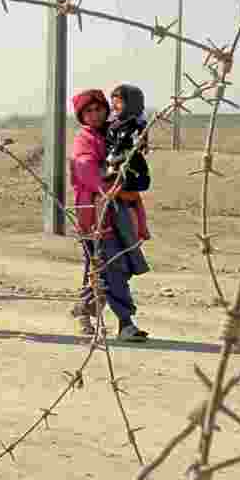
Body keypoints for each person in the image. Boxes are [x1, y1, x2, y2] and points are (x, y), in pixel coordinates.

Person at [69, 89, 150, 341]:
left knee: (104, 268)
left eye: (99, 109)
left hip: (118, 210)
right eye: (88, 111)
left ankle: (85, 309)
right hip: (96, 214)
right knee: (111, 266)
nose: (95, 115)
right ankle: (126, 323)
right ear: (81, 116)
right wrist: (109, 187)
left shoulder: (116, 133)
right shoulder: (84, 140)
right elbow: (86, 169)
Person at [105, 84, 151, 243]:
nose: (114, 105)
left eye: (119, 102)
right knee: (131, 200)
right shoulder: (116, 123)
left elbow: (136, 141)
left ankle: (137, 232)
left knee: (129, 197)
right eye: (113, 102)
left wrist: (138, 143)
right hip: (117, 165)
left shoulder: (134, 123)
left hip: (130, 166)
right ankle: (139, 230)